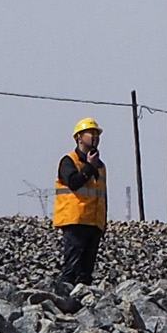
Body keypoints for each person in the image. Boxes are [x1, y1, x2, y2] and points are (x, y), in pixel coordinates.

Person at [52, 118, 107, 286]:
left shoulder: (100, 166)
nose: (95, 137)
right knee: (72, 267)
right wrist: (89, 167)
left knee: (86, 271)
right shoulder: (69, 161)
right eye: (91, 133)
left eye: (97, 134)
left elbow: (102, 195)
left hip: (93, 222)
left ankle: (84, 302)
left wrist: (103, 223)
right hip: (75, 220)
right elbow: (74, 183)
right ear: (79, 137)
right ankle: (65, 298)